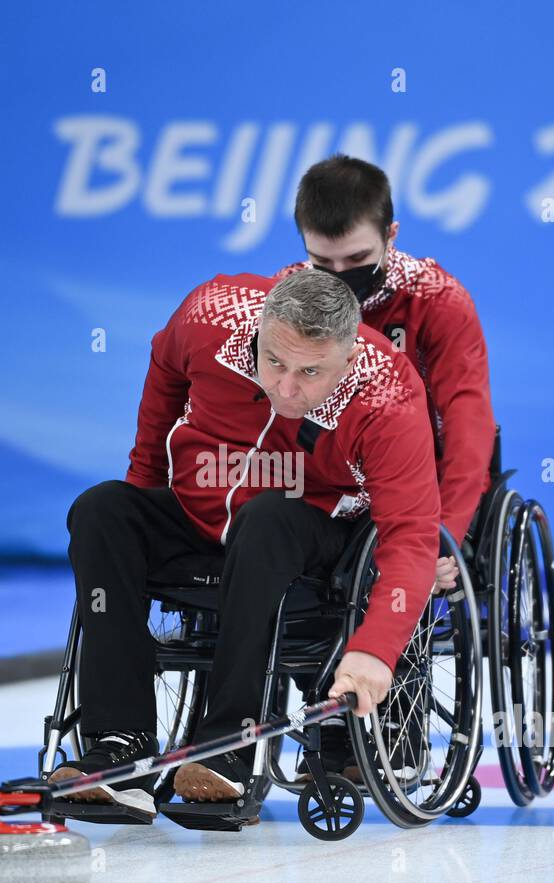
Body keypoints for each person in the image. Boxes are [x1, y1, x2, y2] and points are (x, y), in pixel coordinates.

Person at [51, 268, 441, 821]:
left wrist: (376, 648)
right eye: (274, 361)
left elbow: (412, 535)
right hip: (200, 510)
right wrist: (143, 488)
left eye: (310, 372)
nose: (285, 387)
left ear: (349, 359)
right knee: (102, 510)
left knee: (265, 519)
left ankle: (227, 747)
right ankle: (119, 743)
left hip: (312, 527)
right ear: (258, 330)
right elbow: (164, 368)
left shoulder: (389, 393)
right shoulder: (208, 314)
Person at [276, 154, 497, 780]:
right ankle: (315, 724)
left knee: (390, 557)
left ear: (391, 237)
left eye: (358, 264)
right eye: (324, 266)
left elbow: (468, 424)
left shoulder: (439, 301)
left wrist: (441, 537)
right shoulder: (289, 297)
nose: (340, 281)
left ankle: (387, 734)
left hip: (420, 482)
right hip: (329, 479)